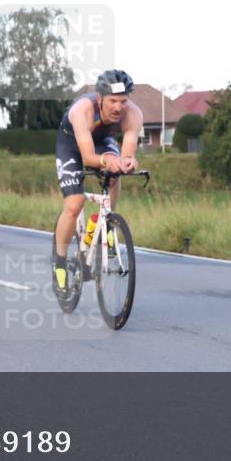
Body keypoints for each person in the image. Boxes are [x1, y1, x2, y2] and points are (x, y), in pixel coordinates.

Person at [52, 69, 143, 296]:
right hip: (72, 145)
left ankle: (107, 222)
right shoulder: (82, 110)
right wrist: (106, 160)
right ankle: (59, 263)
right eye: (113, 101)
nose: (118, 107)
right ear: (100, 98)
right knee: (74, 204)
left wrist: (128, 161)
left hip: (102, 141)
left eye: (123, 101)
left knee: (116, 171)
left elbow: (128, 151)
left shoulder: (133, 114)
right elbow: (88, 157)